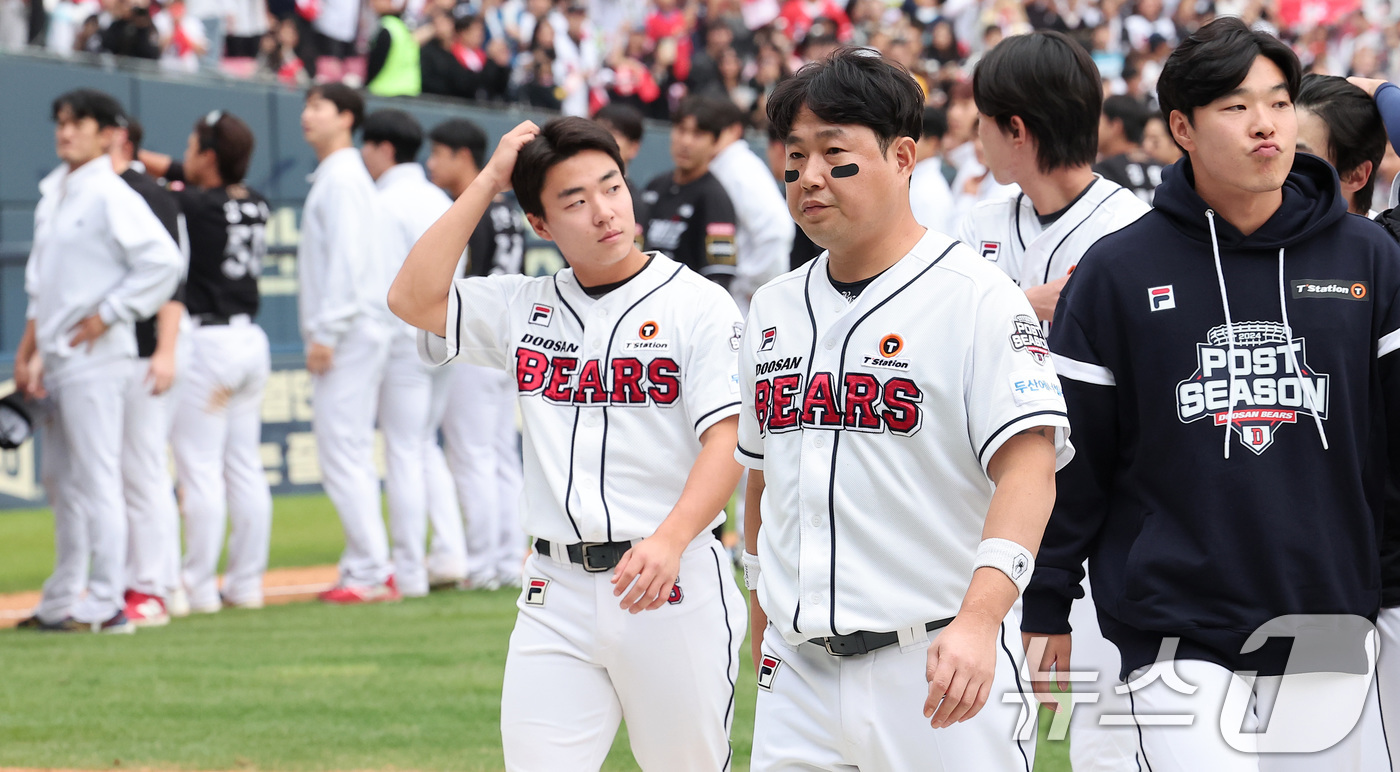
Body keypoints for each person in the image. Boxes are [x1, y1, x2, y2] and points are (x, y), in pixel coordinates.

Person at [1020, 18, 1400, 771]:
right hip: (1173, 623)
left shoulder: (1370, 259)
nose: (1265, 124)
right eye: (1236, 106)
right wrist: (1048, 602)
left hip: (1327, 613)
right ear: (1181, 127)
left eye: (1280, 102)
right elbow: (1076, 456)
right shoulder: (1118, 271)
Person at [740, 48, 1070, 770]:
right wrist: (762, 612)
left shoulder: (978, 296)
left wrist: (983, 623)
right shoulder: (771, 308)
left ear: (902, 156)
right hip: (797, 671)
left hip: (935, 662)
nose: (810, 177)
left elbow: (1030, 470)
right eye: (795, 157)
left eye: (835, 153)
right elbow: (762, 477)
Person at [389, 116, 746, 770]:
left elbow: (727, 438)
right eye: (575, 201)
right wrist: (490, 179)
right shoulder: (524, 305)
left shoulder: (699, 304)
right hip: (554, 588)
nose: (603, 211)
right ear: (540, 224)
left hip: (670, 582)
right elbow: (412, 298)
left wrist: (669, 540)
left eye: (611, 187)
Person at [955, 30, 1151, 772]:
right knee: (979, 733)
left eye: (982, 118)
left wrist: (1002, 306)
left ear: (1016, 129)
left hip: (1098, 527)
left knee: (1105, 742)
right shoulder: (976, 224)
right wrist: (1030, 302)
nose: (972, 133)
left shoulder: (1131, 229)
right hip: (988, 516)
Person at [14, 89, 182, 634]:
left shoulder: (111, 192)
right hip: (59, 357)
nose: (66, 132)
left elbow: (163, 262)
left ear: (109, 133)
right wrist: (28, 353)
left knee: (97, 477)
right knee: (62, 480)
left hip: (98, 357)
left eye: (79, 123)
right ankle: (62, 598)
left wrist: (111, 314)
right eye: (61, 122)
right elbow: (42, 288)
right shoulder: (55, 195)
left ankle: (109, 601)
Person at [141, 111, 275, 615]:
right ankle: (246, 584)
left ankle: (195, 587)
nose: (186, 153)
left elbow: (172, 183)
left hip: (209, 344)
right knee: (242, 467)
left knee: (198, 469)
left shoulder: (190, 203)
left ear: (209, 156)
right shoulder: (255, 201)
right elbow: (186, 170)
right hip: (249, 342)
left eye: (194, 145)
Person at [297, 83, 397, 604]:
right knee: (349, 450)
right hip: (358, 326)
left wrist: (327, 331)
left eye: (319, 107)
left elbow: (348, 262)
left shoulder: (342, 178)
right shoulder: (341, 176)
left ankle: (370, 569)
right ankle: (368, 565)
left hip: (350, 328)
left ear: (347, 117)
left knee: (343, 451)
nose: (306, 115)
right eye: (306, 105)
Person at [359, 109, 462, 598]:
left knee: (403, 450)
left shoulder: (384, 202)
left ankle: (412, 571)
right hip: (448, 333)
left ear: (382, 148)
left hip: (403, 339)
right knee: (423, 446)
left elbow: (382, 283)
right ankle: (448, 554)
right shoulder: (436, 196)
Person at [424, 117, 527, 590]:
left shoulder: (473, 209)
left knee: (472, 455)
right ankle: (507, 560)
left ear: (464, 157)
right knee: (500, 453)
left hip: (478, 337)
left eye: (439, 153)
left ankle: (484, 563)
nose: (431, 163)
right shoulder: (508, 209)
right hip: (515, 338)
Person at [110, 115, 187, 628]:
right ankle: (162, 583)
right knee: (130, 474)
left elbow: (171, 277)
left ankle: (154, 587)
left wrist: (165, 349)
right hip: (122, 352)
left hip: (144, 350)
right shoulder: (117, 189)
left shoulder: (143, 191)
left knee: (143, 473)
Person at [637, 95, 739, 290]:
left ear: (715, 142)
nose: (686, 142)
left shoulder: (715, 197)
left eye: (698, 134)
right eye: (681, 130)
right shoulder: (654, 186)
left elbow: (719, 276)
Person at [705, 95, 795, 314]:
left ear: (734, 130)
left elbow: (777, 231)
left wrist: (751, 284)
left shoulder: (740, 168)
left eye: (709, 130)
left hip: (741, 304)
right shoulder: (722, 167)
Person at [1294, 75, 1387, 218]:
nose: (1279, 170)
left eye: (1299, 159)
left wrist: (1384, 91)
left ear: (1355, 175)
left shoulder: (1387, 238)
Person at [1094, 94, 1164, 204]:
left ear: (1115, 126)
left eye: (1099, 122)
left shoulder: (1102, 173)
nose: (1094, 129)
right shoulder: (1163, 169)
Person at [910, 104, 957, 235]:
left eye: (913, 137)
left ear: (933, 142)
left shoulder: (930, 192)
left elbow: (931, 247)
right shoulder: (917, 180)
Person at [365, 0, 421, 97]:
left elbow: (376, 62)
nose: (371, 4)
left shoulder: (387, 27)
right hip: (409, 90)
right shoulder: (403, 27)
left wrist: (366, 83)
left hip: (385, 91)